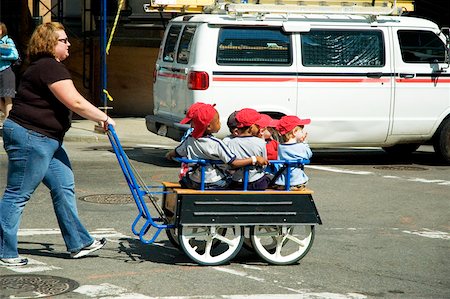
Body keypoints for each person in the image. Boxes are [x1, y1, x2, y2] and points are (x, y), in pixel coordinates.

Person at [0, 22, 116, 267]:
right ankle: (5, 251)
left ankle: (78, 242)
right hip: (31, 137)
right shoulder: (50, 68)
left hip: (46, 139)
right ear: (50, 44)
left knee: (64, 186)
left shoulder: (46, 67)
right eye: (63, 40)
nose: (69, 43)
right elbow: (75, 102)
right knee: (18, 194)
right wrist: (104, 117)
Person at [166, 103, 267, 190]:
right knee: (229, 181)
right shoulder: (216, 143)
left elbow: (177, 152)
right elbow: (234, 163)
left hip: (194, 181)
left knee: (185, 179)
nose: (219, 123)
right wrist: (254, 159)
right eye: (218, 121)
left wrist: (169, 155)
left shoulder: (189, 140)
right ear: (209, 126)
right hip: (213, 182)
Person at [227, 108, 272, 190]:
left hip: (237, 181)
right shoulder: (260, 142)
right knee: (270, 177)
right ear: (251, 128)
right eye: (257, 126)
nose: (259, 128)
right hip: (257, 181)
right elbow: (264, 164)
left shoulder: (231, 142)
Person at [273, 115, 312, 191]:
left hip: (282, 182)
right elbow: (309, 154)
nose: (302, 133)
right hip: (296, 182)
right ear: (294, 132)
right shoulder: (300, 146)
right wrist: (304, 142)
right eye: (301, 131)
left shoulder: (281, 147)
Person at [0, 22, 19, 124]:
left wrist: (1, 56)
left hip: (6, 71)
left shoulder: (7, 40)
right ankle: (11, 118)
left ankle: (8, 123)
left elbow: (15, 55)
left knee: (8, 97)